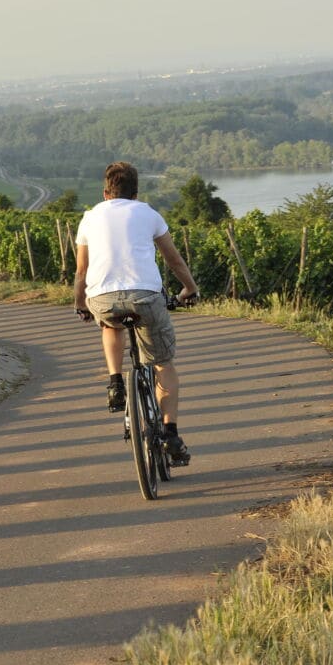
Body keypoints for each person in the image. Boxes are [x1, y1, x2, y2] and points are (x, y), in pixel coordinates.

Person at [73, 161, 200, 465]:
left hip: (102, 298)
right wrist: (190, 290)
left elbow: (81, 271)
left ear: (106, 193)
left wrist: (80, 303)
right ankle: (170, 433)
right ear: (135, 193)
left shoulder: (89, 218)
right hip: (146, 296)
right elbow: (174, 261)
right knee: (163, 364)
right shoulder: (148, 213)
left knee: (110, 325)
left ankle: (116, 382)